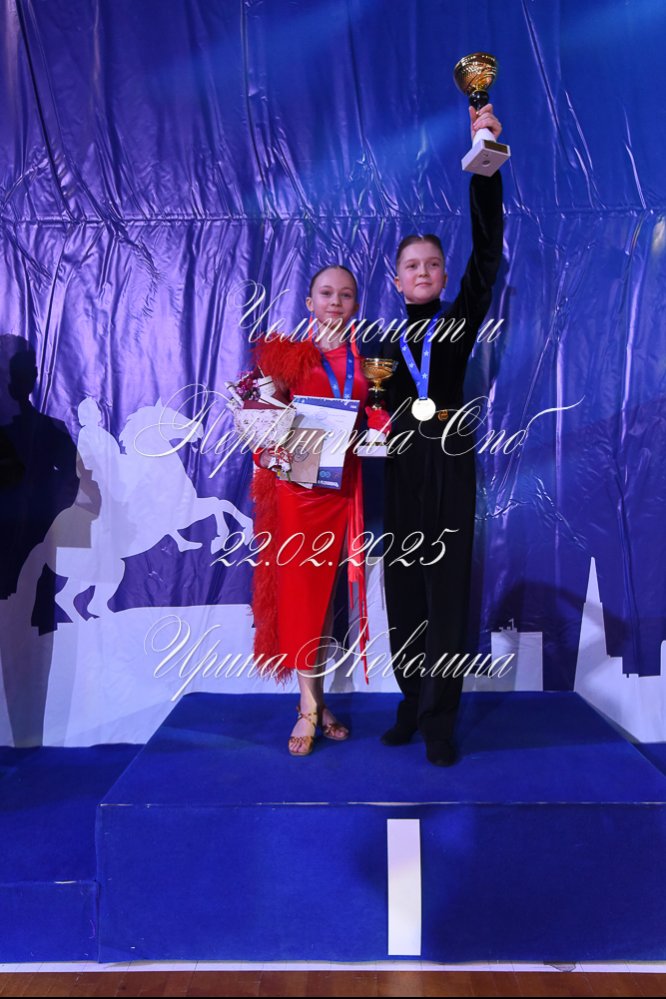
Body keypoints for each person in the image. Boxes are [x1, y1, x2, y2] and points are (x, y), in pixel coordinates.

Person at [380, 103, 505, 767]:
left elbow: (487, 254)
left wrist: (485, 162)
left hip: (450, 460)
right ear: (397, 279)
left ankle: (439, 719)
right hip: (401, 465)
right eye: (413, 265)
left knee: (447, 590)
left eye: (433, 263)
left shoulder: (457, 322)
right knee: (403, 590)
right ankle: (410, 701)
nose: (424, 272)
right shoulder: (378, 343)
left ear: (444, 275)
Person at [250, 266, 369, 755]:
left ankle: (318, 702)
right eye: (326, 293)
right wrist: (268, 452)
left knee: (325, 606)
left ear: (356, 304)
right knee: (301, 599)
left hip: (343, 491)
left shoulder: (368, 360)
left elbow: (374, 415)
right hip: (299, 494)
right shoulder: (287, 357)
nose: (335, 301)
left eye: (346, 294)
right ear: (309, 302)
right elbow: (258, 420)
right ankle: (307, 707)